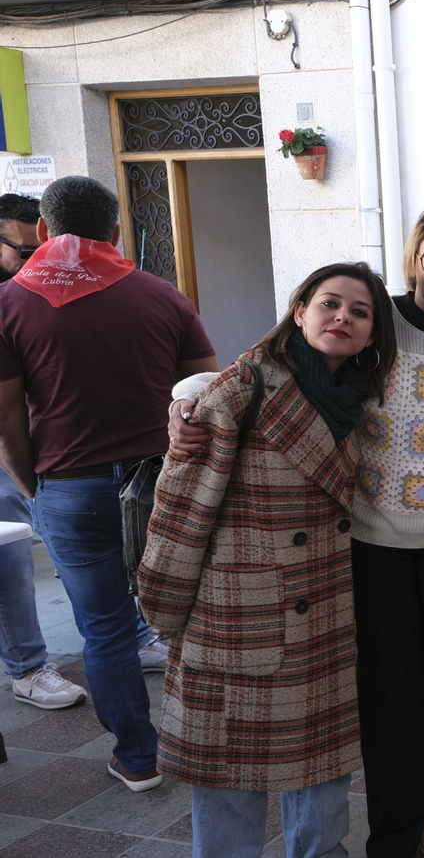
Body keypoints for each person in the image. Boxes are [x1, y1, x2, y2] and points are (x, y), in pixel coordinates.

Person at [166, 204, 424, 858]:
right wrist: (187, 393)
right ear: (414, 260)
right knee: (387, 695)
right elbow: (277, 365)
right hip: (371, 543)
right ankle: (395, 833)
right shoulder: (382, 320)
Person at [139, 261, 395, 858]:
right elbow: (182, 504)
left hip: (322, 608)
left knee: (319, 763)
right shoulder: (243, 386)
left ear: (373, 335)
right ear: (300, 309)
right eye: (330, 303)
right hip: (236, 615)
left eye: (360, 313)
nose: (343, 318)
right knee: (230, 774)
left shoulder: (355, 399)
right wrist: (164, 607)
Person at [0, 176, 218, 792]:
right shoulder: (162, 296)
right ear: (117, 233)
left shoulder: (9, 304)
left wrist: (35, 489)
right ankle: (208, 742)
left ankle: (138, 757)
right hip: (163, 483)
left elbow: (7, 419)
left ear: (43, 231)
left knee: (105, 628)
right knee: (191, 619)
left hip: (70, 486)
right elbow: (211, 391)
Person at [0, 192, 90, 712]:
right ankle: (28, 667)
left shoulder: (38, 290)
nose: (35, 260)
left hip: (49, 445)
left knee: (77, 546)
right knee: (11, 556)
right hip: (9, 449)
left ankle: (133, 636)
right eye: (21, 249)